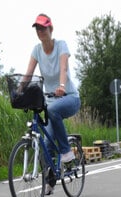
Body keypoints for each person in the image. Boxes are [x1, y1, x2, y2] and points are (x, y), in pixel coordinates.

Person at [23, 13, 81, 167]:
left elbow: (63, 68)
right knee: (47, 141)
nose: (40, 31)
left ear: (51, 29)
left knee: (54, 110)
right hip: (51, 102)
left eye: (43, 28)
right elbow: (28, 74)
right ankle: (49, 180)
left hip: (69, 98)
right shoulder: (37, 50)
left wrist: (61, 86)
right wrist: (18, 91)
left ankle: (66, 151)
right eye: (38, 28)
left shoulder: (61, 45)